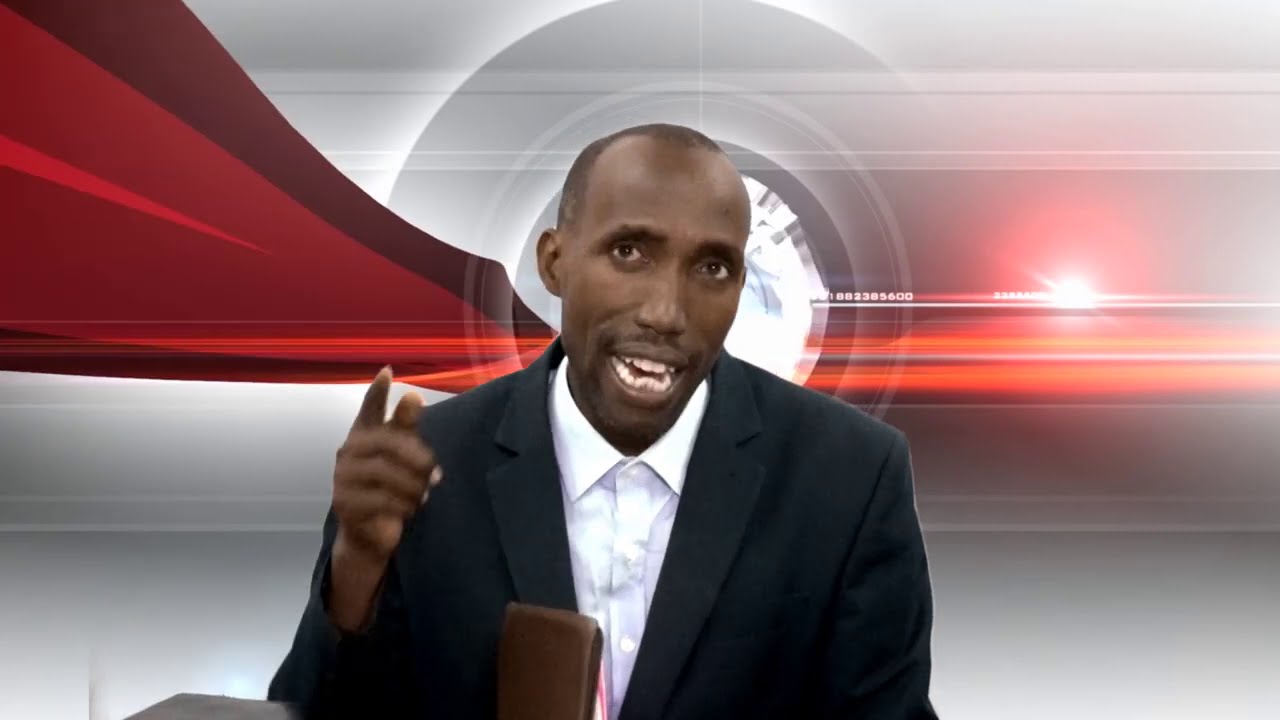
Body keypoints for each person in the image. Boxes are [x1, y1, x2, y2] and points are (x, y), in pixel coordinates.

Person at [267, 123, 938, 719]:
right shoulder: (422, 467)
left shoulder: (850, 479)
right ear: (554, 261)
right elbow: (314, 710)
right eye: (629, 252)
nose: (665, 312)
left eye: (712, 267)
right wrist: (355, 573)